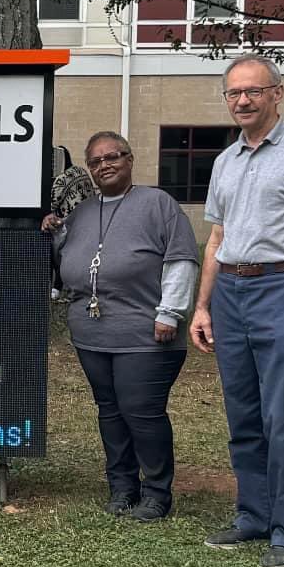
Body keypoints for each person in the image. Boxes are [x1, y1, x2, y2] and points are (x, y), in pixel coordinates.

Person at [190, 53, 284, 567]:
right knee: (244, 415)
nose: (243, 101)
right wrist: (202, 306)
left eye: (253, 91)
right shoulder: (225, 162)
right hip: (230, 293)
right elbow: (216, 238)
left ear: (277, 94)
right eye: (233, 93)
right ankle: (254, 515)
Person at [43, 131, 198, 522]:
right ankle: (122, 487)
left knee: (140, 411)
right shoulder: (82, 212)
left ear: (130, 159)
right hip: (92, 333)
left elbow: (180, 260)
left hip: (145, 333)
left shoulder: (158, 204)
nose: (104, 165)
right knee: (109, 410)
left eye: (112, 157)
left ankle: (157, 493)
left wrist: (170, 313)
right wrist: (55, 232)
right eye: (95, 161)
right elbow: (68, 260)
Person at [49, 145, 96, 299]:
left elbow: (52, 203)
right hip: (89, 220)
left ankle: (58, 286)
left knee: (59, 255)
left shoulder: (60, 179)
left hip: (68, 223)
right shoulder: (80, 171)